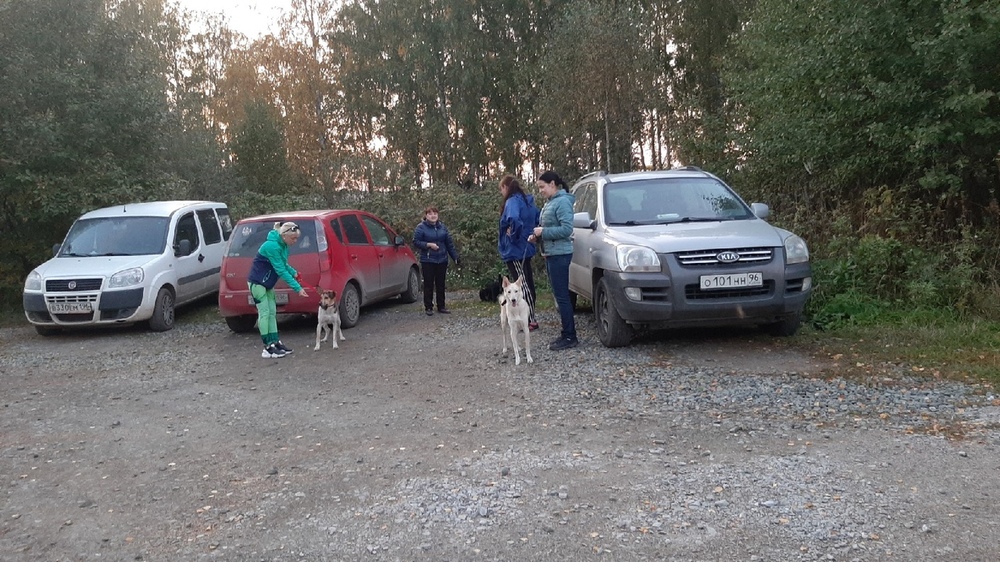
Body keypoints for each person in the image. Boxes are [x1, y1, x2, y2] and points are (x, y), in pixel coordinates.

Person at [529, 170, 577, 350]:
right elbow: (551, 228)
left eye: (542, 187)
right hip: (551, 253)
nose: (540, 190)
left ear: (552, 184)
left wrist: (544, 232)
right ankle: (566, 333)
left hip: (560, 254)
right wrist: (538, 237)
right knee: (559, 296)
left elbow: (567, 229)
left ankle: (570, 336)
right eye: (539, 187)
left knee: (563, 297)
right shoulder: (551, 202)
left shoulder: (562, 202)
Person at [247, 221, 309, 358]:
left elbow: (284, 264)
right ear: (285, 235)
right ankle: (267, 347)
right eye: (293, 238)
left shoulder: (283, 245)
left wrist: (295, 273)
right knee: (264, 313)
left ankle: (275, 342)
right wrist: (297, 288)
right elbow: (280, 269)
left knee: (272, 313)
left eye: (296, 238)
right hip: (257, 283)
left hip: (267, 282)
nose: (295, 241)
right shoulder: (272, 246)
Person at [498, 174, 540, 331]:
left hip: (515, 249)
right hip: (526, 246)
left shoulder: (512, 201)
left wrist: (513, 236)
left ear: (505, 187)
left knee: (521, 285)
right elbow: (538, 218)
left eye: (501, 189)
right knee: (528, 281)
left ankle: (528, 319)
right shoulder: (528, 201)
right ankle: (530, 317)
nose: (502, 193)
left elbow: (514, 219)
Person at [413, 206, 461, 315]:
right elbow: (416, 242)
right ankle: (428, 307)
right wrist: (428, 245)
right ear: (426, 216)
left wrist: (455, 257)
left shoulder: (442, 227)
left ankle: (441, 306)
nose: (433, 216)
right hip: (428, 260)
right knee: (429, 284)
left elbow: (449, 244)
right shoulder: (421, 228)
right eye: (430, 214)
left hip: (442, 259)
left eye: (435, 213)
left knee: (441, 284)